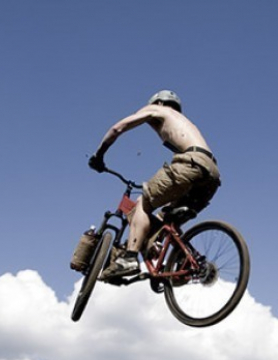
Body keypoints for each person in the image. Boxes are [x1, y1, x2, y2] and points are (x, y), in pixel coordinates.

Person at [88, 90, 221, 279]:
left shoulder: (157, 109)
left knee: (144, 203)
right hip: (212, 174)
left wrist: (99, 155)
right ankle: (182, 263)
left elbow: (118, 128)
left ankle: (129, 258)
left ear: (159, 103)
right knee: (165, 219)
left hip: (191, 162)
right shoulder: (185, 121)